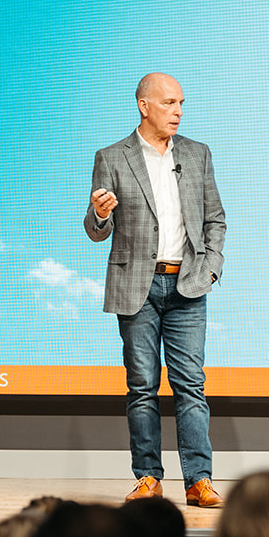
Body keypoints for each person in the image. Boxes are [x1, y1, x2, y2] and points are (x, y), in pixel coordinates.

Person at [85, 72, 226, 508]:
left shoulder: (197, 154)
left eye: (181, 103)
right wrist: (100, 213)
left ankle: (198, 481)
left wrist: (212, 270)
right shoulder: (111, 156)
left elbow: (215, 220)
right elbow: (95, 231)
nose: (178, 111)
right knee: (142, 386)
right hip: (137, 288)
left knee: (191, 385)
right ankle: (148, 478)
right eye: (169, 103)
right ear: (144, 105)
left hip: (187, 285)